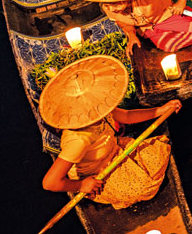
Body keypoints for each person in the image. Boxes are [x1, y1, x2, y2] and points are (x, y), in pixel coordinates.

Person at [39, 56, 180, 209]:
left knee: (159, 150)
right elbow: (50, 182)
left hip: (114, 151)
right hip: (97, 173)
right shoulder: (78, 140)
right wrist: (82, 185)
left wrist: (161, 110)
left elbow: (127, 116)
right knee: (144, 187)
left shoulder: (98, 108)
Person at [81, 0, 192, 54]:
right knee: (166, 46)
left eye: (116, 4)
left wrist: (181, 2)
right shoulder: (107, 7)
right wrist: (131, 35)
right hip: (148, 29)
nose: (112, 9)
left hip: (166, 16)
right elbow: (121, 22)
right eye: (107, 5)